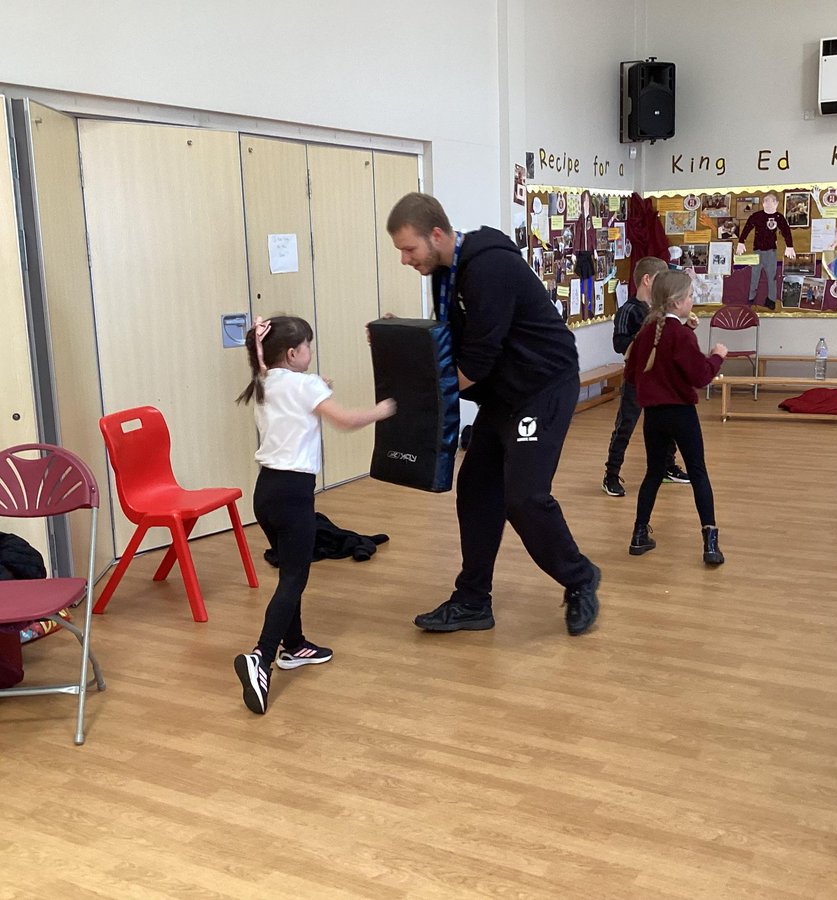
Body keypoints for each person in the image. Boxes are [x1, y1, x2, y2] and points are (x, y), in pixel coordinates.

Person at [386, 192, 601, 636]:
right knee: (477, 489)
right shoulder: (444, 272)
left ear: (438, 234)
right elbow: (448, 338)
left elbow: (476, 362)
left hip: (541, 388)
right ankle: (472, 600)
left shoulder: (489, 267)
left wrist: (423, 390)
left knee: (524, 497)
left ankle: (580, 578)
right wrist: (399, 340)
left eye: (410, 249)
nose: (406, 260)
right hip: (504, 393)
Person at [232, 316, 395, 715]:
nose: (310, 352)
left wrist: (317, 386)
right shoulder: (306, 385)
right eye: (307, 346)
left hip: (266, 495)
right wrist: (383, 410)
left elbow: (288, 386)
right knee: (294, 577)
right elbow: (345, 420)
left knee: (291, 566)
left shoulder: (265, 381)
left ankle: (295, 646)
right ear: (293, 353)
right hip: (293, 496)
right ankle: (261, 657)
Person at [623, 270, 728, 565]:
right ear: (678, 302)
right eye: (691, 296)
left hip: (654, 415)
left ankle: (639, 534)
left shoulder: (647, 332)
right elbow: (700, 375)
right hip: (681, 413)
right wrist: (717, 355)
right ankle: (710, 542)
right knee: (698, 473)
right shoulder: (680, 335)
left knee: (653, 473)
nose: (693, 300)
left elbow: (632, 373)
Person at [603, 256, 690, 497]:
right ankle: (611, 474)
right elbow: (620, 343)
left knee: (668, 423)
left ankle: (667, 466)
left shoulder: (659, 309)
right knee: (626, 424)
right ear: (647, 280)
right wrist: (644, 338)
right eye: (661, 279)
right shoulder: (628, 310)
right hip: (637, 379)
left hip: (661, 379)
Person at [736, 193, 796, 309]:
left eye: (771, 201)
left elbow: (786, 232)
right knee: (755, 276)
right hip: (757, 251)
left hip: (771, 252)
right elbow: (747, 227)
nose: (768, 204)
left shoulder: (779, 217)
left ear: (776, 204)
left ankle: (771, 300)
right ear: (763, 204)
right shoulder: (756, 216)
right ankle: (751, 299)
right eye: (765, 202)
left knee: (771, 277)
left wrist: (790, 246)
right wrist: (741, 241)